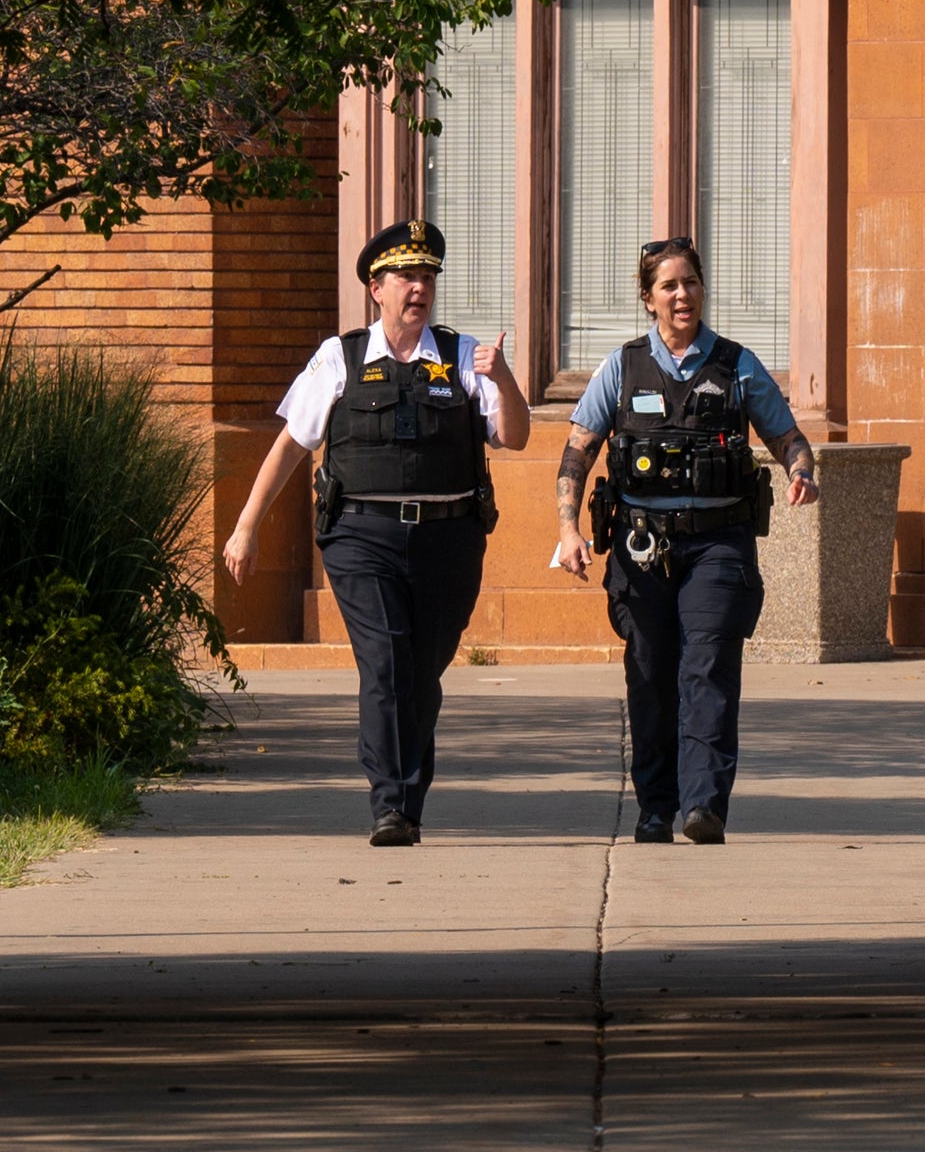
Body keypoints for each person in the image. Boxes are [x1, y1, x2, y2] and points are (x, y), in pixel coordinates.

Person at [223, 219, 530, 845]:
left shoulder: (463, 355)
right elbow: (290, 446)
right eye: (406, 277)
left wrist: (503, 378)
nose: (419, 288)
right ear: (376, 288)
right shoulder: (339, 358)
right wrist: (246, 525)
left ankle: (408, 802)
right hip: (362, 535)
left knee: (423, 670)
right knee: (386, 662)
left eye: (427, 276)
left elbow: (515, 436)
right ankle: (389, 803)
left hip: (450, 538)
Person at [550, 236, 820, 845]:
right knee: (650, 676)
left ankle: (703, 807)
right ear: (648, 299)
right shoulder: (620, 367)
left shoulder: (736, 365)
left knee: (708, 671)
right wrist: (568, 528)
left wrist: (801, 470)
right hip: (641, 548)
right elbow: (577, 456)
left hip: (718, 545)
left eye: (691, 283)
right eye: (669, 286)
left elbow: (788, 438)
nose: (682, 295)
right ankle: (654, 807)